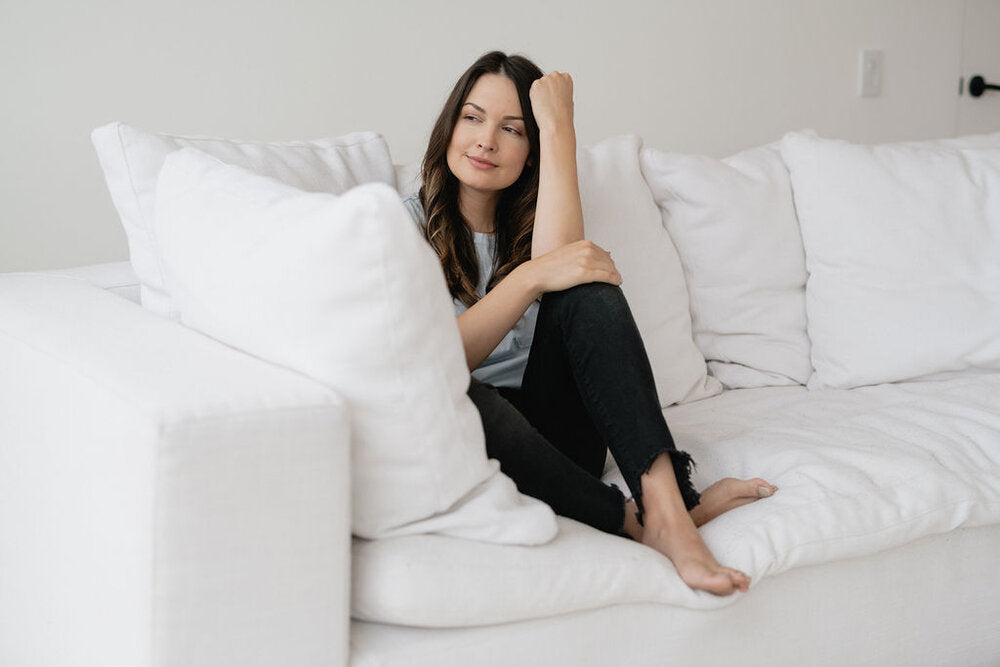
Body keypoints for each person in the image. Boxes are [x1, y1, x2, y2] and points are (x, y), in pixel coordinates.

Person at [403, 51, 777, 596]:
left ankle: (666, 507)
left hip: (559, 434)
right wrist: (528, 279)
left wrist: (559, 126)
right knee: (456, 392)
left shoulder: (537, 222)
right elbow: (435, 365)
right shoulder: (402, 224)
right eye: (473, 118)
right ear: (449, 126)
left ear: (532, 151)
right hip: (475, 433)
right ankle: (637, 522)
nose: (486, 141)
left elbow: (567, 274)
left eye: (513, 129)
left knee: (587, 287)